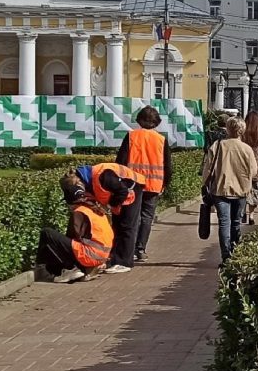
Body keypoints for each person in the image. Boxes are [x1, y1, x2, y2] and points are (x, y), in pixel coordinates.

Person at [114, 106, 172, 263]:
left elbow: (121, 161)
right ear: (157, 122)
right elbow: (167, 165)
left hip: (132, 183)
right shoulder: (161, 140)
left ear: (139, 120)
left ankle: (130, 249)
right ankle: (141, 249)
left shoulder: (131, 136)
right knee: (147, 217)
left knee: (133, 217)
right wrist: (165, 183)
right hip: (154, 184)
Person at [36, 175, 115, 284]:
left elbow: (71, 238)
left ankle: (67, 269)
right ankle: (82, 268)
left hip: (90, 255)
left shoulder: (79, 212)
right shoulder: (95, 208)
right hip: (103, 255)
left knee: (47, 233)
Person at [200, 118, 257, 262]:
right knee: (236, 222)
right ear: (241, 131)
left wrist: (205, 185)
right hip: (241, 190)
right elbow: (254, 171)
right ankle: (235, 251)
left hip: (220, 189)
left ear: (227, 129)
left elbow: (207, 170)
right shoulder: (246, 149)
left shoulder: (217, 146)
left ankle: (226, 256)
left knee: (224, 223)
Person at [72, 160, 144, 273]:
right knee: (117, 226)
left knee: (126, 226)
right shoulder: (89, 178)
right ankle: (115, 259)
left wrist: (111, 205)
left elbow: (123, 191)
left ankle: (124, 262)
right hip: (122, 193)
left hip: (132, 190)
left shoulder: (104, 175)